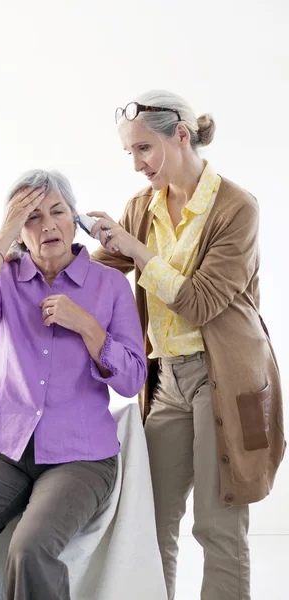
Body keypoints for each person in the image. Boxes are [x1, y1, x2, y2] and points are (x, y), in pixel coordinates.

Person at [90, 90, 286, 600]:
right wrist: (47, 241)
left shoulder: (236, 208)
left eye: (144, 149)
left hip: (225, 377)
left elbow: (199, 303)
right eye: (129, 153)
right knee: (151, 523)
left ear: (181, 134)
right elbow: (96, 275)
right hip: (166, 380)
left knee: (218, 527)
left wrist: (133, 248)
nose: (136, 164)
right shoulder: (142, 208)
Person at [0, 169, 147, 600]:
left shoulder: (110, 285)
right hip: (4, 447)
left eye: (57, 211)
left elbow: (133, 379)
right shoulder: (4, 276)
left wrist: (88, 327)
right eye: (30, 217)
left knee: (31, 549)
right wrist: (3, 235)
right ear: (19, 230)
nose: (46, 225)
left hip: (81, 458)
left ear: (73, 218)